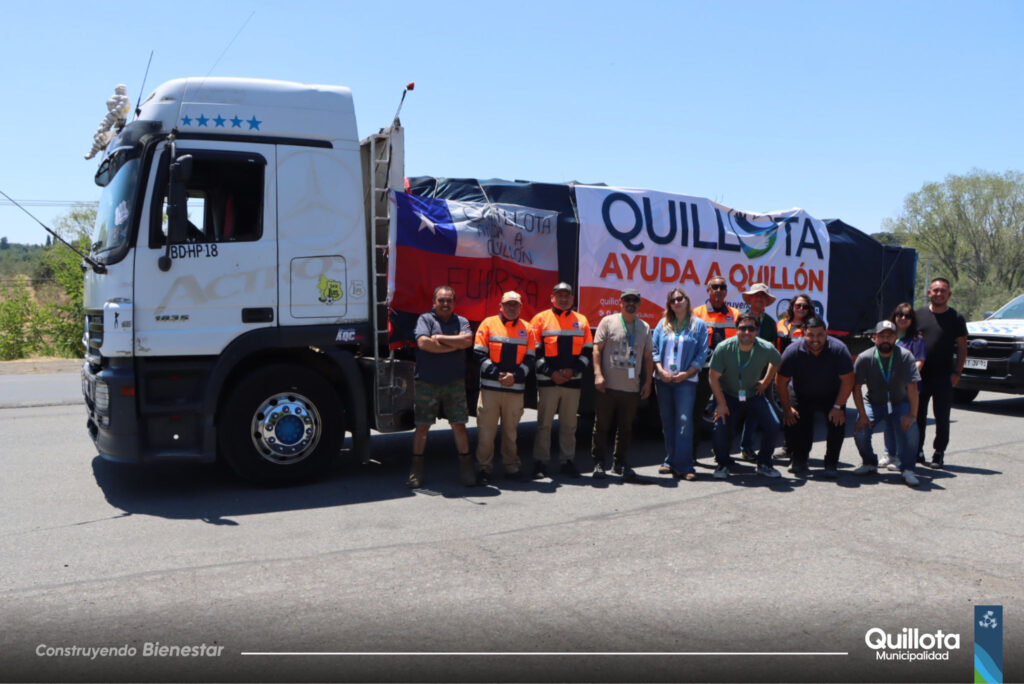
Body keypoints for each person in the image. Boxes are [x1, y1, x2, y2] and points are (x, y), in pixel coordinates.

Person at [408, 285, 474, 488]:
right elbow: (423, 344)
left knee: (459, 426)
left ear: (454, 303)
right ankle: (416, 470)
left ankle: (466, 469)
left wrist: (440, 339)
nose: (445, 304)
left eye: (449, 300)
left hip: (454, 382)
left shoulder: (461, 321)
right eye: (441, 300)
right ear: (434, 302)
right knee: (422, 427)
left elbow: (468, 341)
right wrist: (453, 346)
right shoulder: (425, 319)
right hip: (427, 382)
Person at [775, 316, 855, 478]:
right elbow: (780, 382)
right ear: (803, 333)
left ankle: (831, 462)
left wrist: (838, 407)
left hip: (831, 393)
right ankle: (799, 459)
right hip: (802, 394)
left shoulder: (839, 350)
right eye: (811, 335)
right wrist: (786, 408)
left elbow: (848, 381)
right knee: (794, 420)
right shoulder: (793, 351)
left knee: (837, 421)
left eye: (820, 335)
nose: (815, 339)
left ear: (826, 334)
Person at [473, 291, 538, 484]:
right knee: (486, 433)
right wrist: (497, 374)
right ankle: (484, 470)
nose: (511, 308)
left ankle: (512, 468)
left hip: (514, 391)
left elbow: (531, 358)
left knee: (511, 433)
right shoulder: (488, 324)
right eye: (508, 304)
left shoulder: (528, 329)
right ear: (500, 306)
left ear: (520, 307)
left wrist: (514, 376)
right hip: (490, 390)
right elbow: (478, 354)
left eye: (515, 305)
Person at [708, 312, 782, 479]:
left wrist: (765, 382)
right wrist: (721, 404)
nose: (747, 332)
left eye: (751, 328)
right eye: (743, 328)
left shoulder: (766, 348)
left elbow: (777, 362)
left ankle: (764, 464)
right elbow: (712, 377)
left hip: (753, 395)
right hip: (728, 395)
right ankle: (723, 464)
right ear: (736, 329)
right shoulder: (724, 348)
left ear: (757, 331)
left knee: (773, 424)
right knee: (721, 426)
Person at [530, 282, 593, 478]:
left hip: (572, 382)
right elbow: (533, 352)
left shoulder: (582, 320)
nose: (563, 299)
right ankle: (540, 463)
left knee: (569, 425)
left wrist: (573, 371)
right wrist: (551, 373)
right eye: (559, 295)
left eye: (567, 296)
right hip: (548, 381)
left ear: (573, 299)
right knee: (544, 424)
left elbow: (588, 351)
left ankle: (567, 461)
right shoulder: (540, 319)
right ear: (552, 298)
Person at [591, 288, 653, 481]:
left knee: (625, 428)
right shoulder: (608, 322)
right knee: (601, 426)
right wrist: (598, 374)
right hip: (608, 386)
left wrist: (648, 382)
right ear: (620, 302)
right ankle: (599, 463)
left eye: (635, 300)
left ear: (639, 304)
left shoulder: (644, 327)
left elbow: (648, 357)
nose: (631, 303)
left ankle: (620, 463)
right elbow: (596, 350)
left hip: (631, 388)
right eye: (627, 300)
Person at [851, 320, 922, 487]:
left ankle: (908, 469)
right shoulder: (864, 357)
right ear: (875, 338)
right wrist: (861, 414)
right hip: (874, 403)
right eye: (881, 336)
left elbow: (913, 387)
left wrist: (912, 415)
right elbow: (856, 388)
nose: (885, 339)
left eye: (889, 336)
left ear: (895, 338)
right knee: (860, 431)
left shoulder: (905, 356)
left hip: (899, 402)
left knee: (911, 429)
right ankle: (869, 463)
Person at [652, 288, 708, 480]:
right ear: (669, 304)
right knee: (668, 421)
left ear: (687, 300)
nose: (677, 302)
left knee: (684, 422)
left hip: (686, 381)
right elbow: (654, 350)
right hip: (663, 380)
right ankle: (670, 461)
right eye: (672, 299)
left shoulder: (698, 325)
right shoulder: (663, 323)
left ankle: (684, 465)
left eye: (680, 298)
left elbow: (702, 353)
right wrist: (659, 370)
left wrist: (687, 373)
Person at [915, 278, 967, 469]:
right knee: (917, 416)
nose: (939, 294)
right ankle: (917, 450)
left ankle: (938, 453)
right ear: (929, 292)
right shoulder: (918, 314)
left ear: (949, 294)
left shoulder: (956, 318)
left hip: (944, 376)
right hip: (919, 377)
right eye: (935, 290)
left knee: (942, 417)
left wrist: (957, 372)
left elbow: (962, 347)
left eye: (943, 291)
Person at [692, 276, 741, 452]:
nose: (718, 290)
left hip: (728, 372)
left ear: (726, 291)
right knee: (696, 413)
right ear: (708, 290)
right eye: (714, 287)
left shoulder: (735, 314)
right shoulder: (697, 313)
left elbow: (741, 342)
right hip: (704, 371)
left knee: (729, 412)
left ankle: (722, 454)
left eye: (722, 287)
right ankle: (691, 454)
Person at [879, 303, 927, 469]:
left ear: (912, 319)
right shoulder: (887, 336)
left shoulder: (916, 339)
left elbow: (920, 361)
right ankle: (889, 454)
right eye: (900, 314)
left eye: (907, 316)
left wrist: (907, 378)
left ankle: (901, 458)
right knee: (889, 421)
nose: (903, 318)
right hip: (888, 387)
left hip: (907, 388)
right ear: (894, 316)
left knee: (903, 423)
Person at [738, 282, 778, 460]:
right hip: (739, 375)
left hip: (760, 378)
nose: (760, 299)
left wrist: (767, 380)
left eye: (763, 297)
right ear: (750, 299)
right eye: (757, 296)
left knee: (755, 413)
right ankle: (721, 449)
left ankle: (746, 448)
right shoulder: (742, 319)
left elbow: (773, 354)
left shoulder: (770, 323)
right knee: (734, 411)